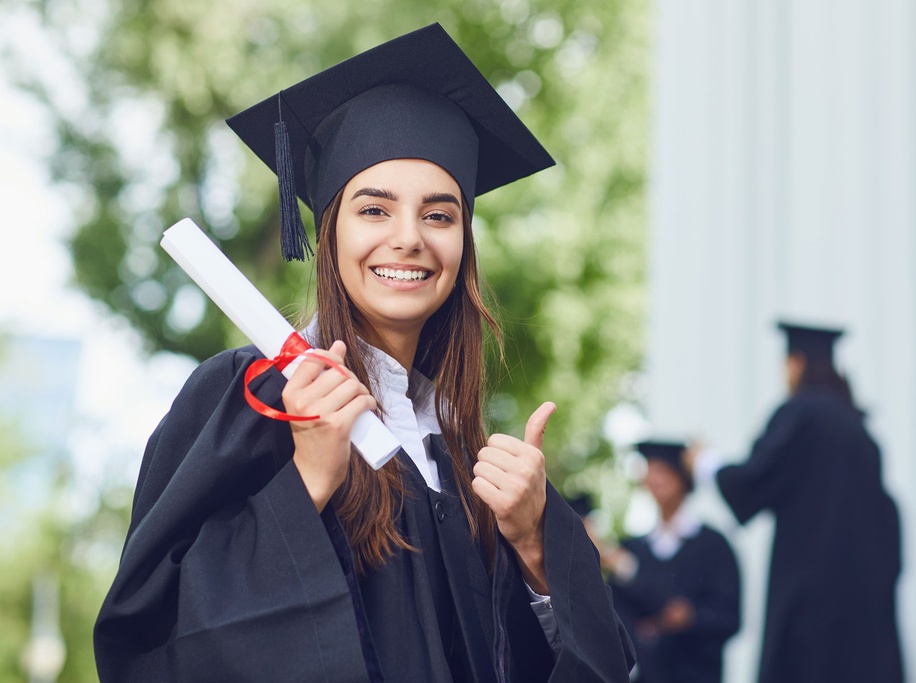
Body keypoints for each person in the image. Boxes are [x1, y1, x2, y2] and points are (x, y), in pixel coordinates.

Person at [93, 24, 634, 683]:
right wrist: (308, 479)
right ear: (328, 232)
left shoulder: (456, 444)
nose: (408, 238)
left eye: (439, 215)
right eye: (374, 210)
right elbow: (149, 638)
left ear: (464, 241)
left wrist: (533, 546)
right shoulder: (252, 395)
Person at [689, 322, 904, 683]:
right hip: (865, 609)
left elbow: (754, 480)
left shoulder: (802, 414)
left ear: (796, 363)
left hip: (811, 605)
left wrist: (706, 463)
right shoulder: (861, 432)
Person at [604, 441, 740, 683]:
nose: (655, 479)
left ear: (683, 479)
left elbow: (730, 617)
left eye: (663, 471)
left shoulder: (713, 545)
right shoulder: (632, 548)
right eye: (650, 471)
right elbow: (616, 616)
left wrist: (693, 617)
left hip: (697, 673)